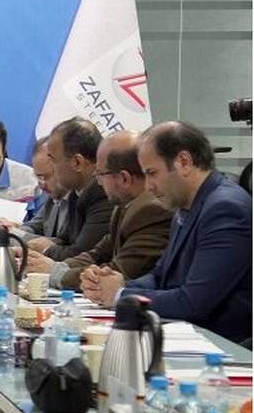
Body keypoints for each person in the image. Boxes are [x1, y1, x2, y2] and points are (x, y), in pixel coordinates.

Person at [82, 122, 252, 343]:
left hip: (225, 347)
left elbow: (193, 302)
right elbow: (161, 276)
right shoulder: (185, 206)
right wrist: (115, 284)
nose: (149, 186)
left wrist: (120, 295)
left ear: (184, 162)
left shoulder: (226, 209)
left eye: (152, 173)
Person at [26, 131, 171, 291]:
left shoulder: (152, 211)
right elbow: (96, 254)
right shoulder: (123, 206)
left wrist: (55, 273)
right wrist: (54, 267)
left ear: (124, 179)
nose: (99, 183)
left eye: (100, 175)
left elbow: (119, 272)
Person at [26, 117, 113, 261]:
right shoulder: (75, 191)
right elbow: (64, 241)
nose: (51, 168)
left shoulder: (104, 193)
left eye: (53, 160)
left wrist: (46, 249)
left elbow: (81, 254)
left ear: (77, 162)